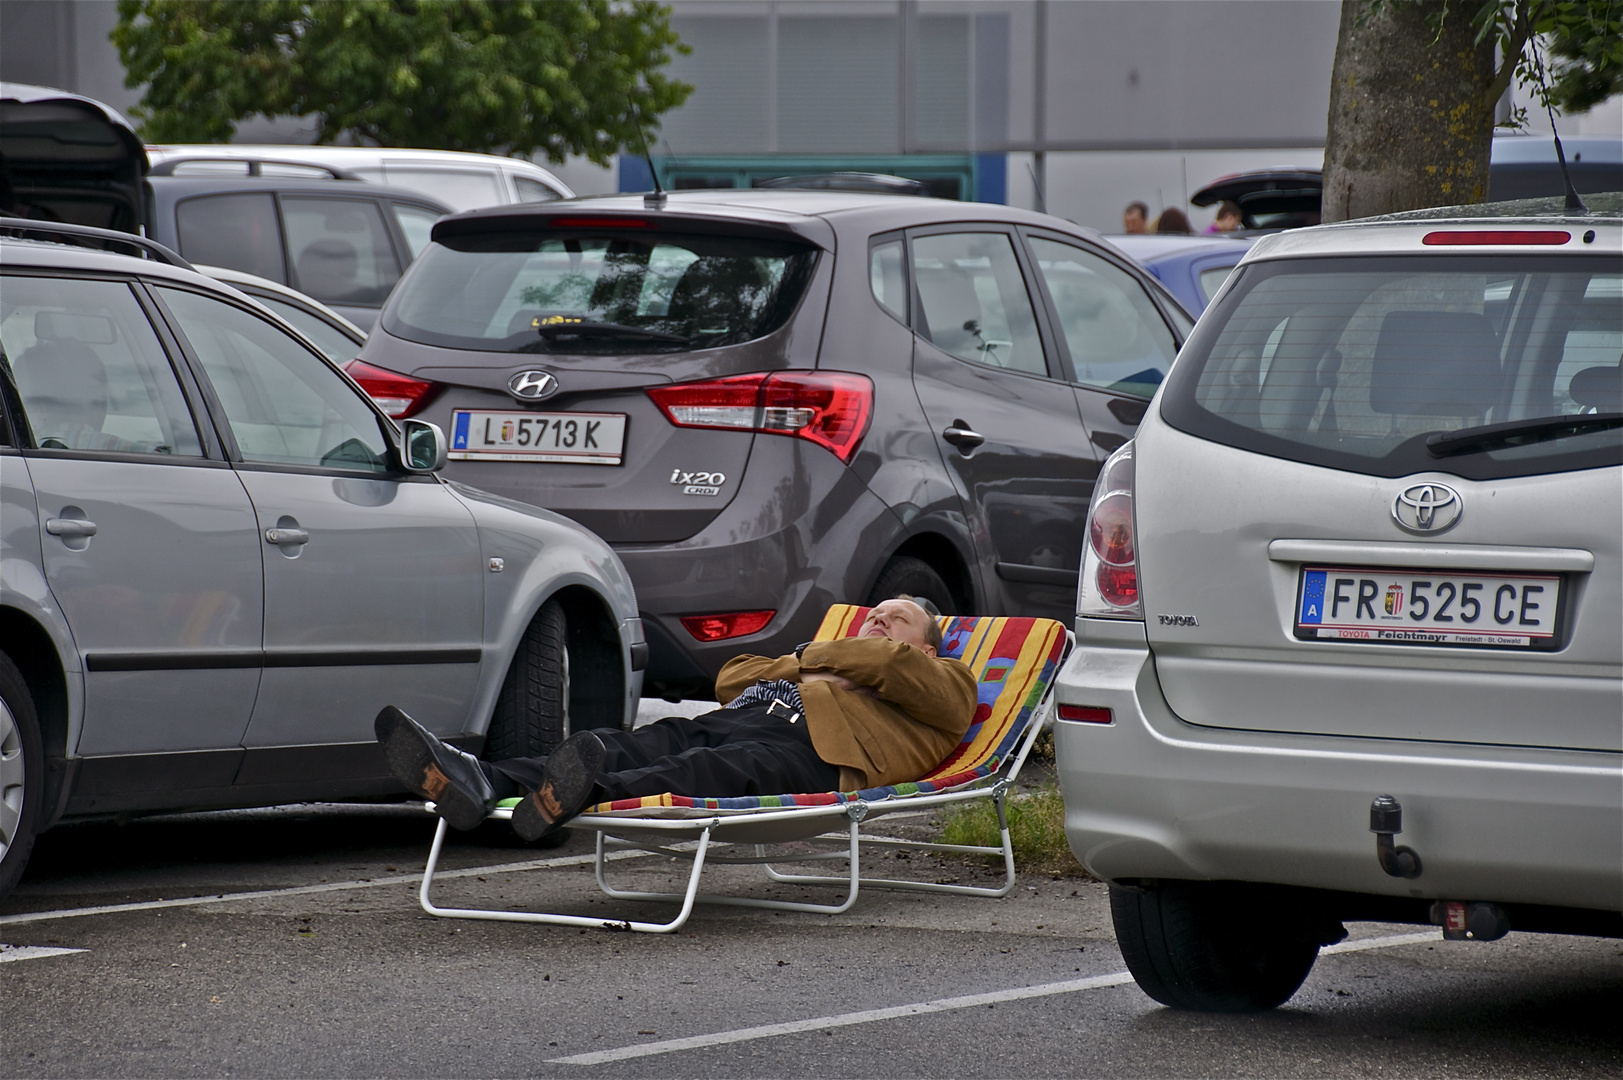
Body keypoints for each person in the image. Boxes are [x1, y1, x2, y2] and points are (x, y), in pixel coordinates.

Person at [375, 596, 977, 842]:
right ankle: (483, 778)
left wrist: (815, 659)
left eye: (895, 620)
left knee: (702, 769)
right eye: (872, 615)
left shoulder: (945, 679)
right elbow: (732, 677)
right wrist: (811, 662)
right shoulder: (816, 662)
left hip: (818, 750)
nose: (876, 621)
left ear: (924, 648)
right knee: (622, 742)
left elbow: (893, 667)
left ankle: (574, 797)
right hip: (737, 718)